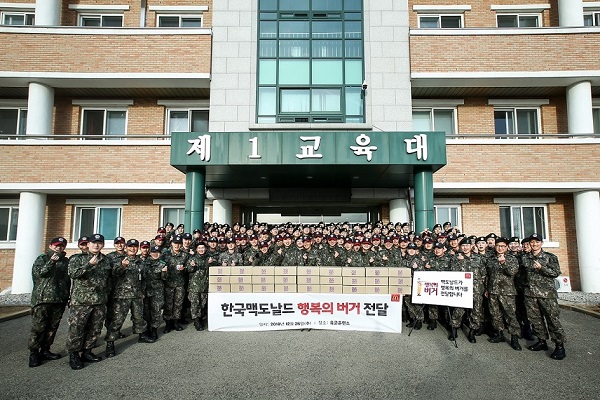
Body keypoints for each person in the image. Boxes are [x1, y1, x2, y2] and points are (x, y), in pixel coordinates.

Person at [65, 234, 112, 370]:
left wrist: (107, 295)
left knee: (95, 328)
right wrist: (88, 265)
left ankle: (87, 351)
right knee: (77, 328)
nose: (96, 245)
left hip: (100, 300)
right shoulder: (77, 259)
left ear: (102, 245)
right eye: (93, 243)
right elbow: (73, 274)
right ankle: (73, 355)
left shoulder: (106, 260)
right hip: (81, 301)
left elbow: (108, 279)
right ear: (88, 244)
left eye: (99, 243)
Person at [104, 239, 154, 358]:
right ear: (126, 248)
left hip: (137, 295)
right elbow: (115, 273)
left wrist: (143, 292)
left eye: (135, 247)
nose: (133, 249)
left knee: (138, 317)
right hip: (122, 296)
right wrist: (122, 266)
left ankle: (141, 335)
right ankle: (110, 343)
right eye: (130, 246)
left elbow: (144, 278)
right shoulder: (119, 260)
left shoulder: (140, 262)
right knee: (117, 320)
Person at [28, 237, 71, 367]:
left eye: (62, 246)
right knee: (38, 327)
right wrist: (51, 262)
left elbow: (67, 281)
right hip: (42, 300)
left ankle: (46, 350)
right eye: (57, 245)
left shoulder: (65, 261)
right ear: (51, 246)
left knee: (52, 327)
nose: (59, 248)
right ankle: (34, 353)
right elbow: (39, 274)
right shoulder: (42, 258)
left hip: (59, 300)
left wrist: (67, 296)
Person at [523, 233, 567, 360]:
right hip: (530, 294)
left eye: (537, 242)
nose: (534, 244)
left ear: (541, 243)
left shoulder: (549, 257)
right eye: (532, 242)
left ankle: (559, 346)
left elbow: (555, 273)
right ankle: (542, 341)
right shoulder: (526, 258)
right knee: (536, 320)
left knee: (552, 320)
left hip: (546, 295)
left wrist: (542, 268)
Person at [485, 237, 522, 350]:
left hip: (507, 292)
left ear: (506, 247)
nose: (500, 248)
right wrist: (487, 289)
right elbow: (488, 275)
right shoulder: (491, 259)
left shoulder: (511, 258)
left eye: (502, 246)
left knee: (510, 315)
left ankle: (514, 338)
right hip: (493, 291)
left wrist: (504, 262)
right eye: (498, 246)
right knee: (495, 314)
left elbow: (512, 272)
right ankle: (499, 334)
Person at [161, 235, 189, 333]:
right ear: (172, 243)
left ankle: (176, 322)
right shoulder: (165, 254)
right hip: (168, 283)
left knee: (178, 304)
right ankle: (168, 324)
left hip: (180, 283)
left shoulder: (185, 255)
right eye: (175, 243)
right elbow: (160, 265)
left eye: (179, 243)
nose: (177, 245)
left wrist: (184, 269)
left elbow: (189, 267)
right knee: (168, 304)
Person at [187, 242, 213, 331]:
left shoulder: (209, 258)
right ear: (196, 249)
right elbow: (188, 270)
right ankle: (196, 321)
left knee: (202, 304)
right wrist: (192, 266)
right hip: (194, 286)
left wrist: (211, 263)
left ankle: (201, 318)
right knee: (195, 304)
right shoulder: (192, 259)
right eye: (199, 248)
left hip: (205, 286)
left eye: (203, 248)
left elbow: (214, 269)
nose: (201, 249)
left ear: (205, 249)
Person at [143, 245, 167, 341]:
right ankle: (146, 329)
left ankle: (154, 329)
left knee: (156, 311)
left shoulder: (162, 264)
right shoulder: (144, 263)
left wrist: (164, 272)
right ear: (150, 253)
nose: (155, 254)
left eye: (157, 253)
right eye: (153, 252)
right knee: (146, 311)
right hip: (146, 290)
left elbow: (164, 278)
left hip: (157, 291)